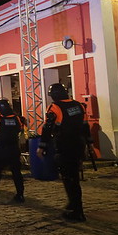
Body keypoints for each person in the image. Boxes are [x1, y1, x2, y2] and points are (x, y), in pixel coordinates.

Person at [37, 84, 92, 221]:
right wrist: (90, 143)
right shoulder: (79, 105)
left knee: (69, 179)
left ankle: (77, 211)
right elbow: (85, 126)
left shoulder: (55, 107)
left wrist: (42, 146)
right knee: (73, 176)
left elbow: (48, 127)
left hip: (65, 145)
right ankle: (73, 204)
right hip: (79, 145)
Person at [0, 99, 26, 203]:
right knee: (16, 172)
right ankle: (20, 194)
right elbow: (19, 129)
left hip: (2, 148)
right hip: (14, 148)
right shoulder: (16, 118)